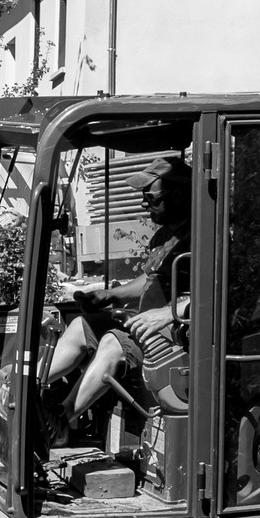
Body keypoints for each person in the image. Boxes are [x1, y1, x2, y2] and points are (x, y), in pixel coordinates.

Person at [39, 155, 192, 442]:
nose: (144, 203)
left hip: (176, 338)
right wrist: (110, 295)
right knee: (81, 327)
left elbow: (218, 294)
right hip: (149, 324)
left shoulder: (206, 236)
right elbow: (150, 280)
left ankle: (60, 420)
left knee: (112, 342)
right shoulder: (165, 237)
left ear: (179, 195)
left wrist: (167, 313)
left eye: (150, 196)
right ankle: (24, 391)